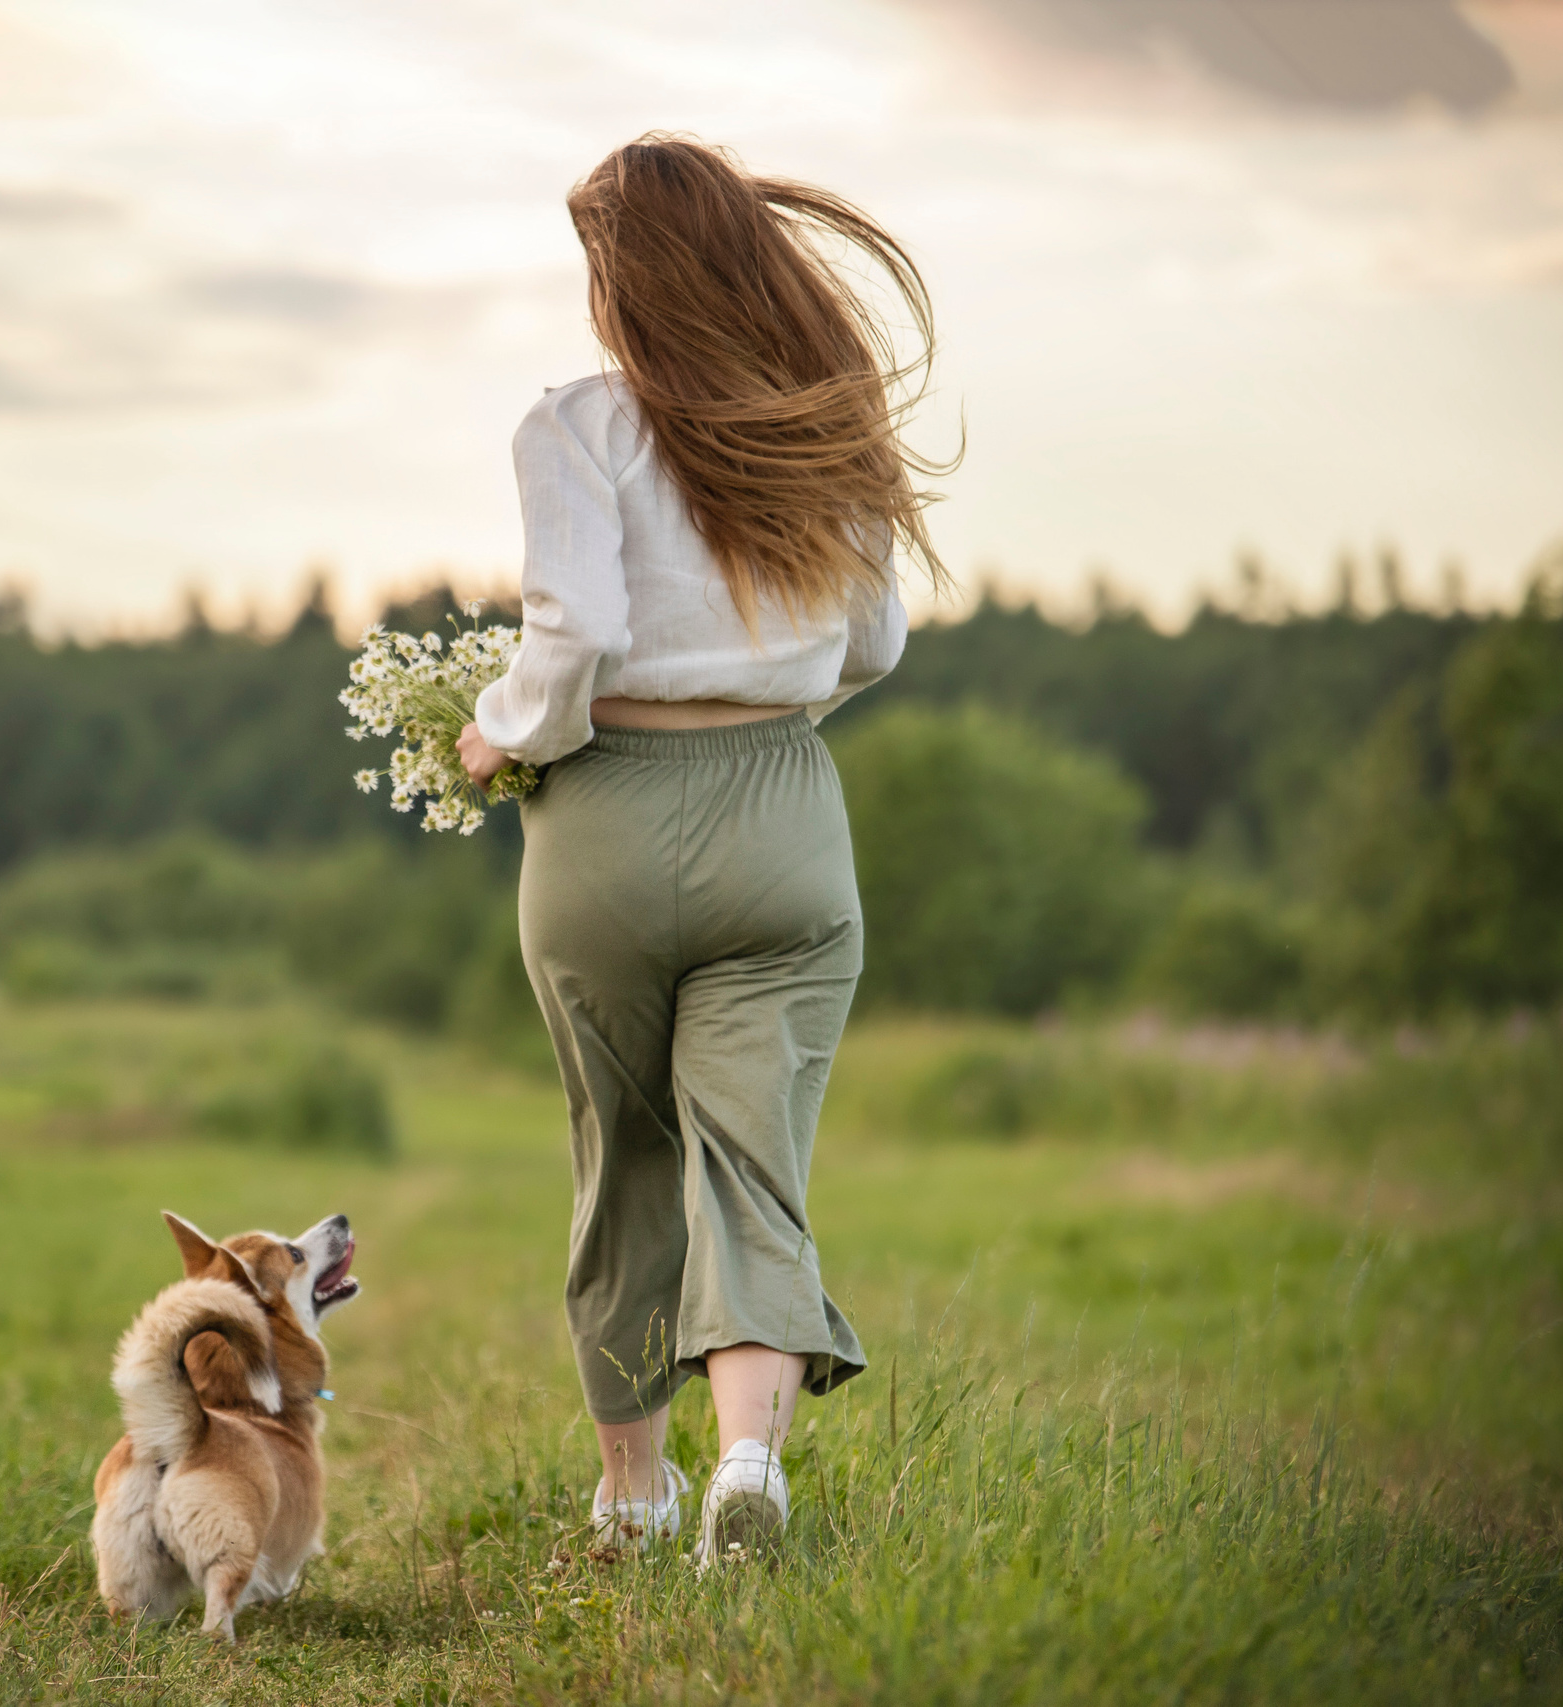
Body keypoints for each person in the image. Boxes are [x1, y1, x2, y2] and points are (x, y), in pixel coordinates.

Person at [458, 134, 948, 1559]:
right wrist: (772, 704)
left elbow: (578, 639)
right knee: (753, 1166)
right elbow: (874, 639)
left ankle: (632, 1495)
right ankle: (748, 1471)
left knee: (622, 1161)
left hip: (604, 815)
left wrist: (503, 731)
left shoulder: (573, 427)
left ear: (622, 280)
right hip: (782, 817)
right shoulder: (821, 419)